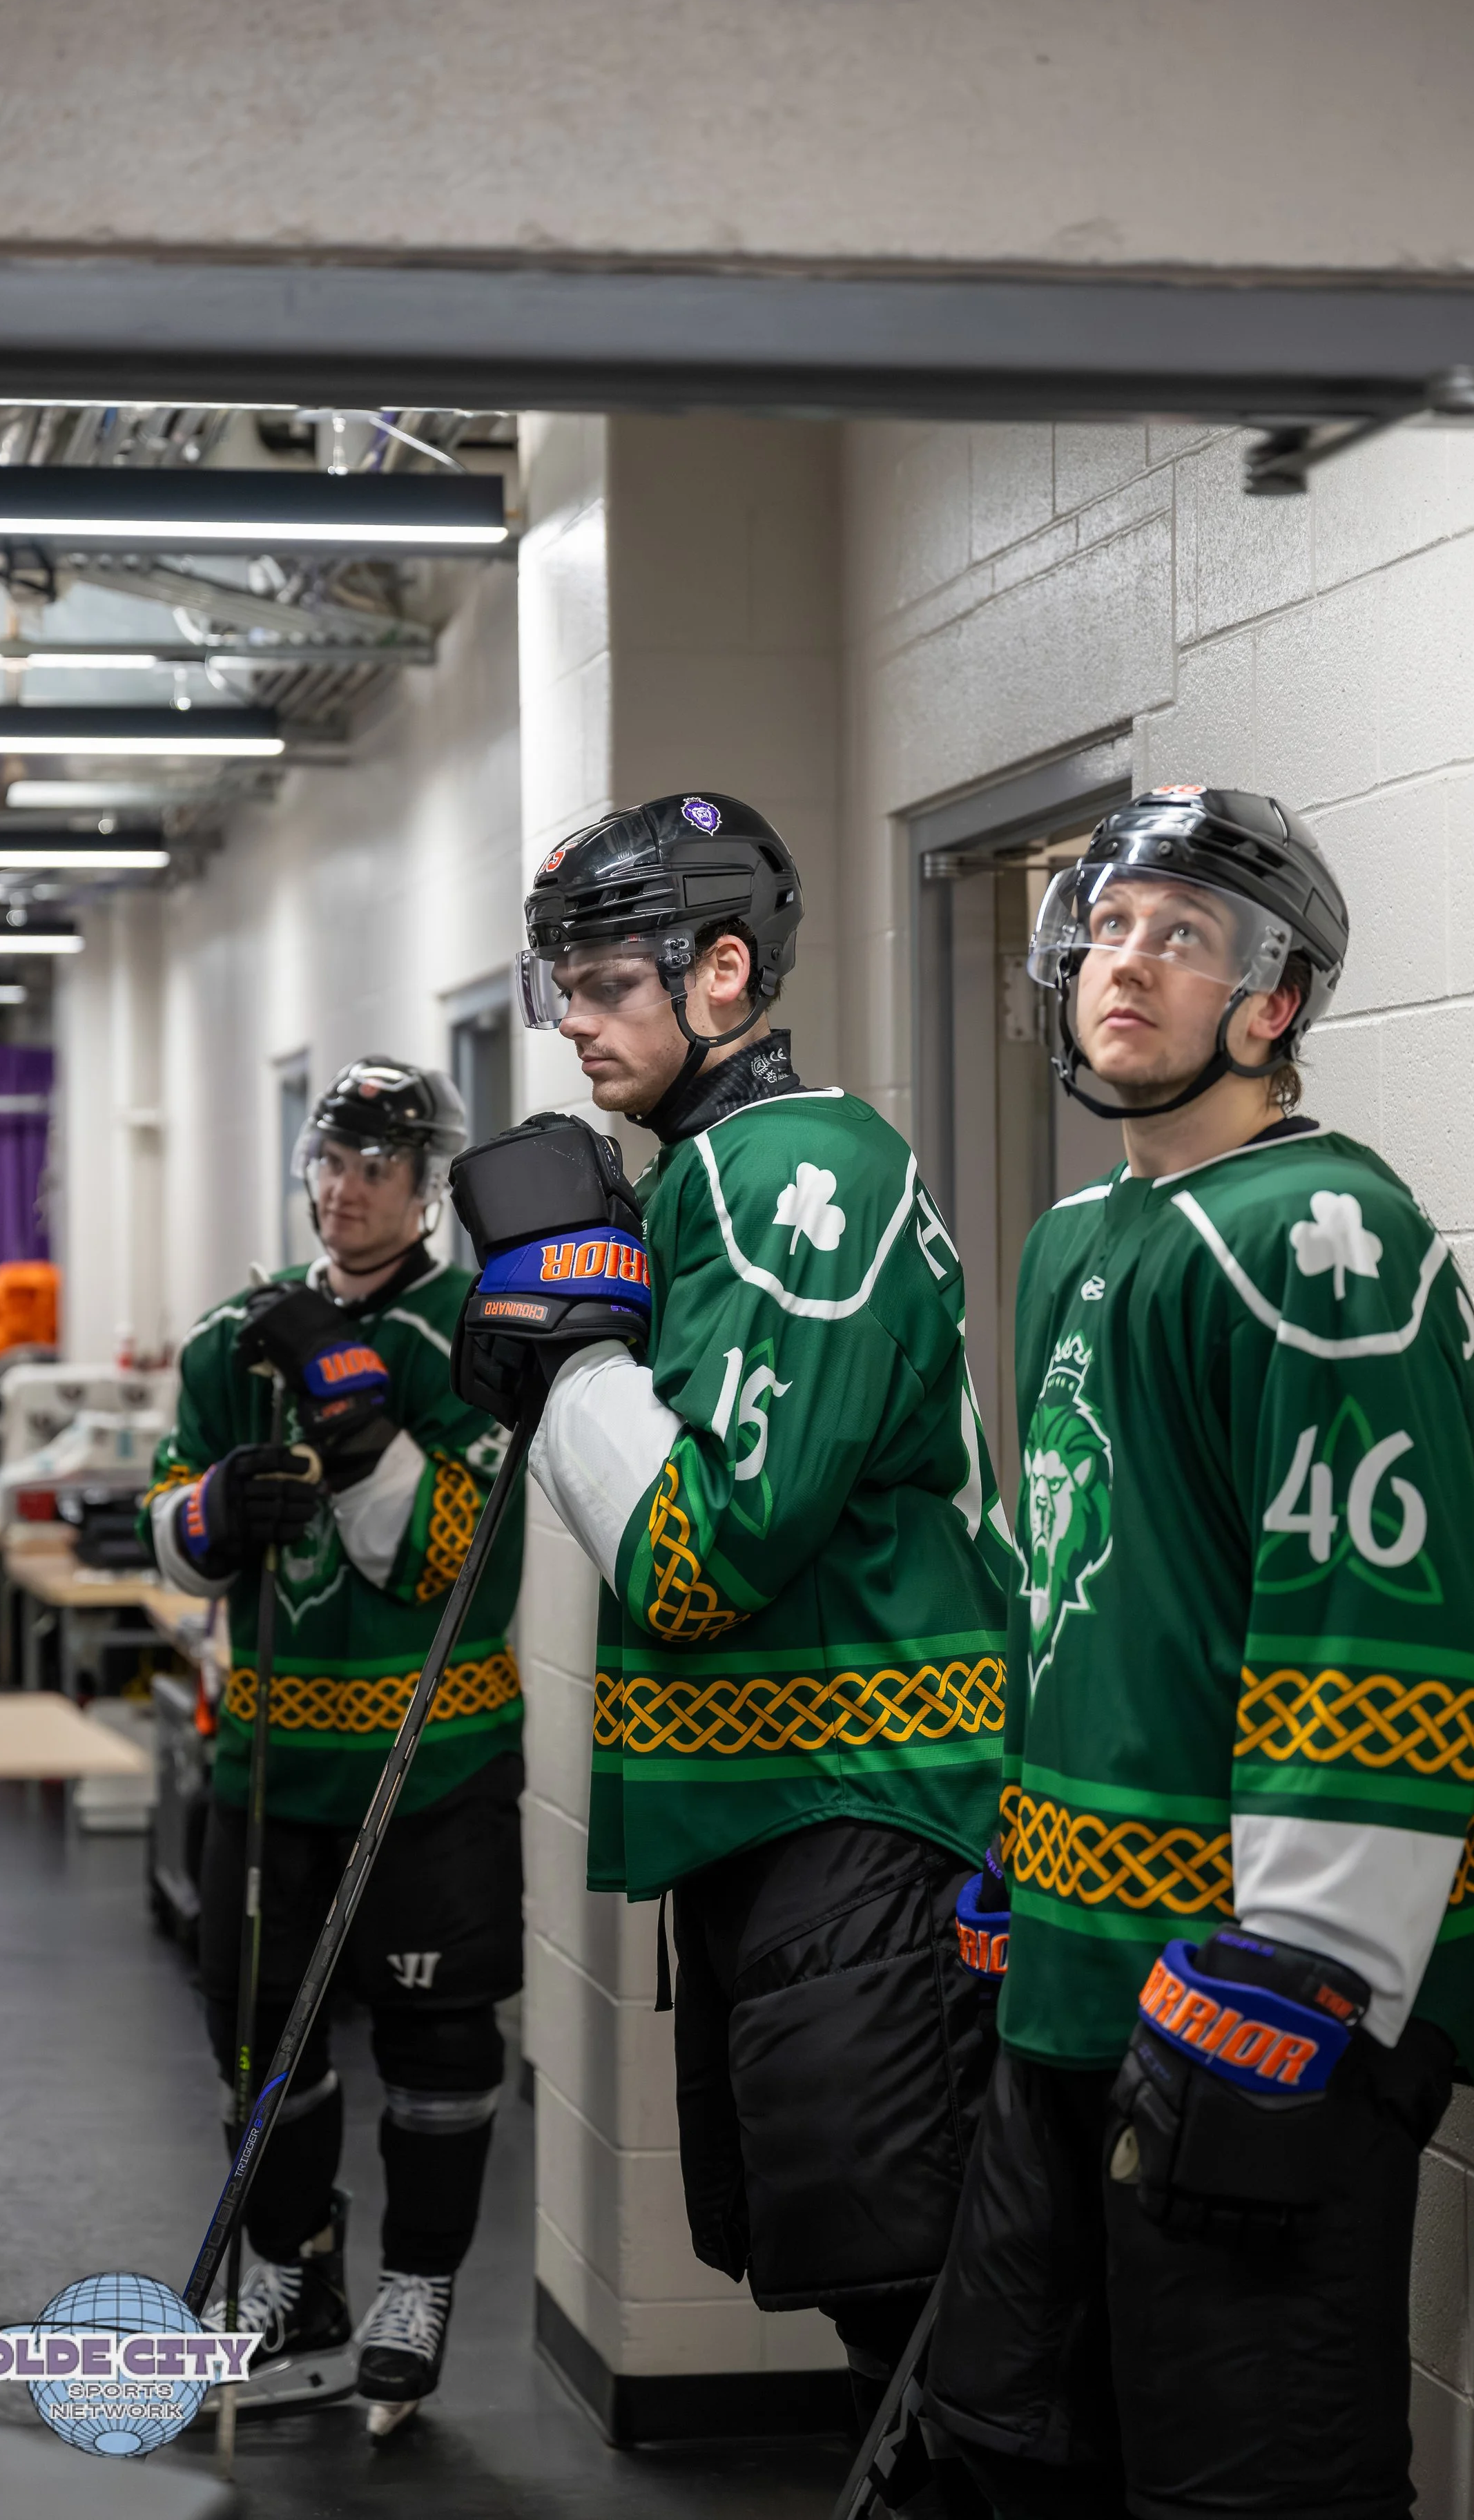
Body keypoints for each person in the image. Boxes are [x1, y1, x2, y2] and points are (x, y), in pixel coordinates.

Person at [925, 785, 1474, 2520]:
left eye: (1181, 938)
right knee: (1020, 2444)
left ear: (1273, 1003)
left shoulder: (1322, 1245)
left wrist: (1306, 1969)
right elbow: (1084, 1582)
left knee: (1253, 2485)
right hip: (1083, 1968)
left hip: (1255, 1999)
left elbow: (1370, 1630)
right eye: (1105, 928)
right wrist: (1029, 1848)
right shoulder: (1072, 1238)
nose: (1125, 964)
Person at [454, 796, 1011, 2481]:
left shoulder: (794, 1171)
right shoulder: (702, 1175)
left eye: (605, 982)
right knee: (864, 2288)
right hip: (792, 1819)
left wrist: (572, 1365)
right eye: (557, 985)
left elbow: (696, 1559)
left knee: (918, 2320)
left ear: (720, 972)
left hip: (871, 1810)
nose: (571, 1022)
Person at [142, 1059, 525, 2426]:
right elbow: (166, 1522)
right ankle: (289, 2266)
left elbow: (445, 1556)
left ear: (426, 1186)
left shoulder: (475, 1334)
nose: (344, 1188)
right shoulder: (230, 1339)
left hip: (435, 1769)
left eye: (377, 1165)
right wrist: (212, 1514)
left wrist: (352, 1404)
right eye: (329, 1159)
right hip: (269, 1765)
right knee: (257, 2038)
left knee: (437, 2044)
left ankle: (416, 2285)